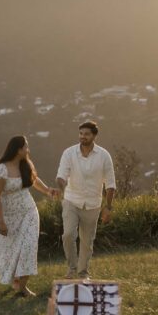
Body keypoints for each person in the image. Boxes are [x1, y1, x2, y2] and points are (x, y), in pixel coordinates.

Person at [0, 135, 58, 296]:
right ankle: (15, 279)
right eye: (26, 147)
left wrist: (48, 191)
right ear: (18, 150)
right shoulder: (0, 170)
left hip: (29, 212)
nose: (28, 150)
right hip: (8, 216)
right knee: (11, 250)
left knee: (29, 246)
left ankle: (22, 287)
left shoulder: (26, 165)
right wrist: (1, 222)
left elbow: (34, 180)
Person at [56, 120, 115, 279]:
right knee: (68, 235)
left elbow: (110, 184)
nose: (83, 137)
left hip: (93, 204)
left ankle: (83, 273)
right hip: (71, 200)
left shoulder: (104, 155)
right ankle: (72, 268)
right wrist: (61, 186)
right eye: (81, 133)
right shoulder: (69, 153)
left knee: (87, 241)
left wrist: (108, 207)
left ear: (94, 136)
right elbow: (61, 176)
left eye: (87, 134)